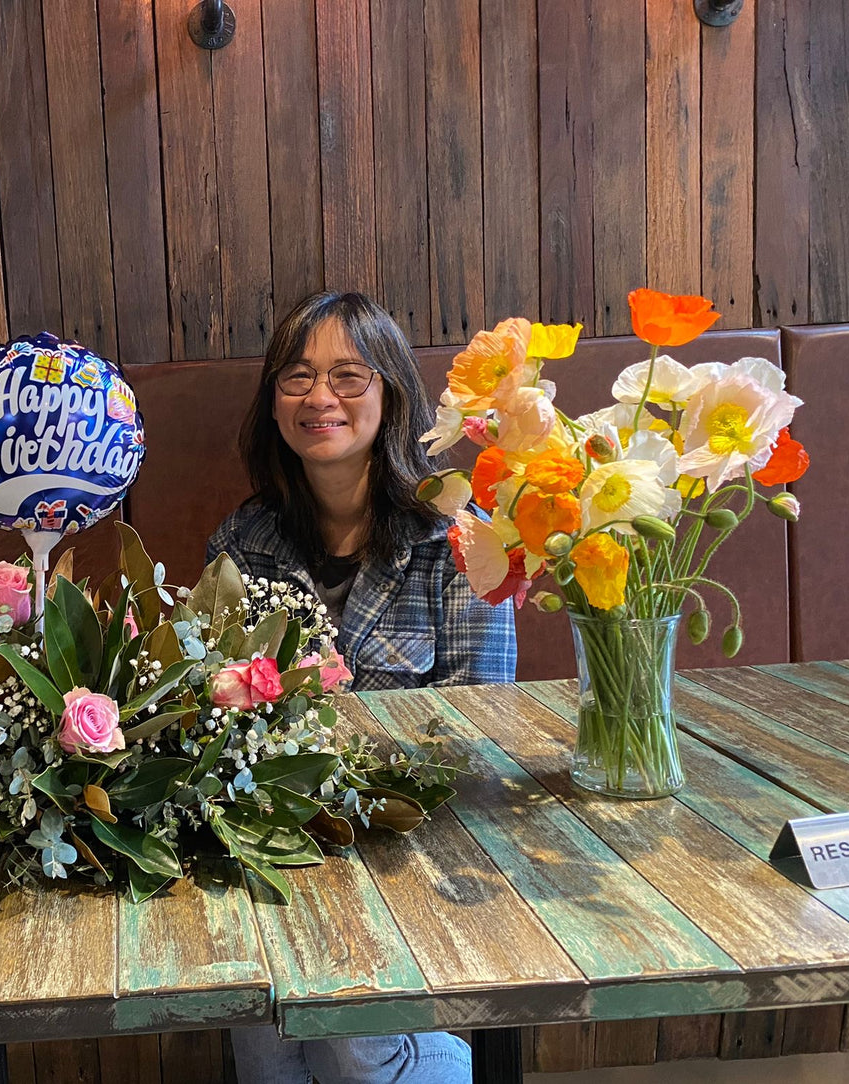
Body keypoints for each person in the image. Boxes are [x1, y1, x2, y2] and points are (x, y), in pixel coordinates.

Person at [209, 291, 516, 1084]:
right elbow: (216, 728)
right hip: (281, 850)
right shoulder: (242, 543)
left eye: (349, 376)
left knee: (353, 1042)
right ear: (273, 404)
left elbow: (477, 733)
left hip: (414, 855)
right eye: (296, 377)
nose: (319, 398)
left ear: (391, 393)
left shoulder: (457, 537)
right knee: (260, 1025)